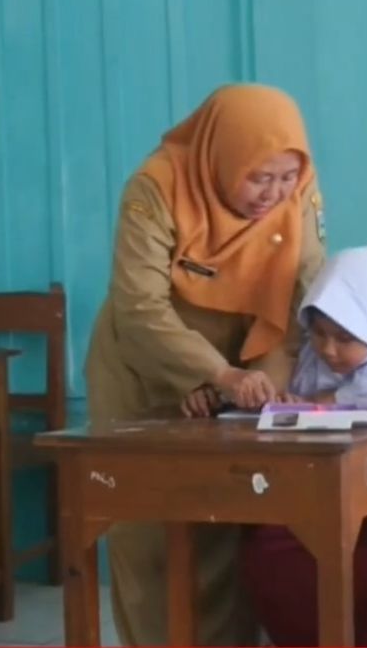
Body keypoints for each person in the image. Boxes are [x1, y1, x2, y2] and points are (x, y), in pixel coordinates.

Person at [83, 83, 327, 646]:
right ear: (222, 156)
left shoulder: (300, 189)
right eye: (258, 177)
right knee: (147, 531)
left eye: (284, 178)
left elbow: (302, 294)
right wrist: (208, 375)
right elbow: (139, 307)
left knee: (227, 517)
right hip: (145, 366)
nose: (273, 194)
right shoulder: (157, 187)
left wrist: (260, 381)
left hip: (245, 362)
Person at [229, 244, 367, 646]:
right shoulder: (312, 360)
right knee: (267, 553)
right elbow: (293, 404)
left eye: (344, 338)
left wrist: (339, 400)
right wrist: (284, 404)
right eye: (318, 334)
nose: (329, 350)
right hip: (318, 496)